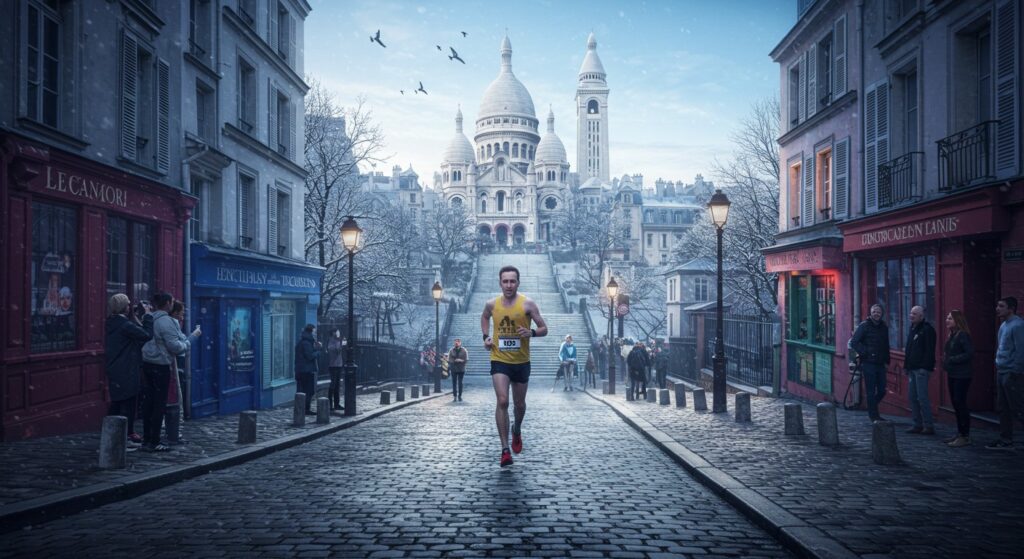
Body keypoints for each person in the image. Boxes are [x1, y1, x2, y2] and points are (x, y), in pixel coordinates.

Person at [481, 265, 548, 467]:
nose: (509, 285)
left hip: (521, 361)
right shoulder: (491, 304)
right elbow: (484, 317)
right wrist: (486, 337)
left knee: (519, 405)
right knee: (502, 401)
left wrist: (532, 333)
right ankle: (504, 450)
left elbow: (544, 328)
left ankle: (516, 429)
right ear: (500, 282)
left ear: (518, 283)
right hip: (499, 358)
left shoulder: (527, 304)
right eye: (505, 281)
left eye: (512, 281)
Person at [140, 292, 200, 452]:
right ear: (167, 303)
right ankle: (154, 440)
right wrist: (188, 342)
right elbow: (175, 347)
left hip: (147, 364)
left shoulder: (149, 317)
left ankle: (147, 439)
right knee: (159, 404)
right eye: (172, 302)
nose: (173, 304)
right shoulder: (166, 321)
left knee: (149, 403)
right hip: (160, 365)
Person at [105, 293, 152, 448]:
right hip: (127, 368)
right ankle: (128, 435)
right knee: (129, 402)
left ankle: (112, 434)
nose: (129, 307)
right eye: (128, 304)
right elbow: (146, 335)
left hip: (115, 367)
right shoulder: (124, 324)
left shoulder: (111, 322)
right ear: (123, 307)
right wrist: (147, 316)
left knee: (117, 402)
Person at [988, 297, 1024, 450]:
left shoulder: (1018, 325)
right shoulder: (1003, 325)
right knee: (1003, 408)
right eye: (997, 305)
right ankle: (1005, 439)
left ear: (1011, 308)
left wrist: (1015, 370)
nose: (997, 308)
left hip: (1011, 372)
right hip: (1002, 371)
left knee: (1017, 407)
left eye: (1001, 306)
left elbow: (1021, 350)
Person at [850, 304, 891, 421]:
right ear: (870, 313)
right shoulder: (864, 326)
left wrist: (887, 360)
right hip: (868, 363)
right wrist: (865, 352)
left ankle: (871, 406)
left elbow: (885, 345)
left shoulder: (884, 327)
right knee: (871, 390)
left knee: (882, 390)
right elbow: (854, 342)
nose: (876, 314)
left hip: (880, 363)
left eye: (878, 312)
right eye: (874, 311)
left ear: (882, 313)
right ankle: (874, 416)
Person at [942, 310, 975, 447]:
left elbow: (969, 353)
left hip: (963, 374)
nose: (947, 320)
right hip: (953, 373)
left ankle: (965, 436)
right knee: (956, 404)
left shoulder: (963, 335)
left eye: (950, 318)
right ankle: (960, 433)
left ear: (957, 320)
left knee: (960, 402)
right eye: (947, 318)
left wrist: (952, 359)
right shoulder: (952, 335)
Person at [903, 306, 937, 434]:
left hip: (921, 370)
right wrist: (906, 366)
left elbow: (930, 351)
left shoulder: (927, 330)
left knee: (922, 398)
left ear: (921, 316)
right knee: (912, 397)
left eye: (915, 314)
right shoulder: (913, 328)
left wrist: (925, 367)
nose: (911, 315)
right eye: (911, 313)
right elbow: (909, 349)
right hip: (912, 368)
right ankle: (917, 424)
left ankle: (928, 425)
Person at [294, 324, 322, 415]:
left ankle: (302, 409)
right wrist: (318, 351)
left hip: (302, 370)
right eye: (314, 331)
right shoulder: (306, 342)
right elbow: (309, 356)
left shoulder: (304, 341)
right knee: (308, 391)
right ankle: (305, 409)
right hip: (305, 370)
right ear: (311, 331)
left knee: (303, 391)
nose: (315, 333)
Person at [327, 331, 345, 411]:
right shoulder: (331, 342)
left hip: (338, 365)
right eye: (337, 332)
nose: (338, 333)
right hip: (333, 365)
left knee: (337, 385)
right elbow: (337, 351)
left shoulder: (337, 341)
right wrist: (340, 342)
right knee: (333, 385)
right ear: (333, 333)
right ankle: (330, 404)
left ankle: (337, 404)